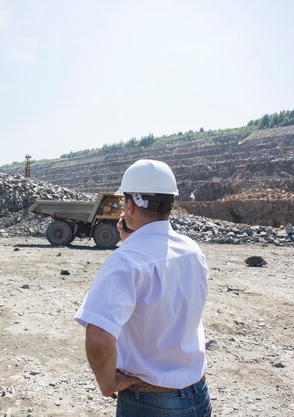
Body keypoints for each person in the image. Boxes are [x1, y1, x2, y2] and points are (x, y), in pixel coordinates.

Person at [74, 159, 212, 416]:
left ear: (129, 205)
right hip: (198, 396)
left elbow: (98, 340)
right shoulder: (193, 251)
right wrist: (132, 242)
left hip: (150, 402)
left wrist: (108, 383)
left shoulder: (126, 261)